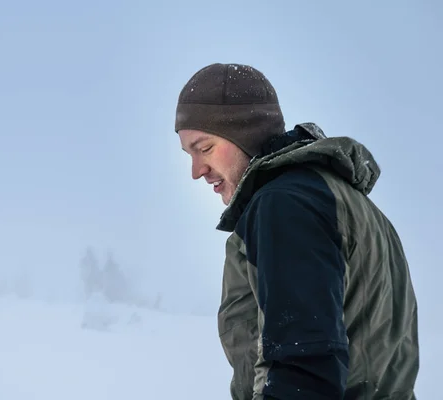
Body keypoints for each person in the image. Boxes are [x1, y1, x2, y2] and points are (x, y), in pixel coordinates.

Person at [174, 63, 419, 399]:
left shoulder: (287, 205)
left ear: (243, 132)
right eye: (189, 154)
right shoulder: (338, 199)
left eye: (205, 149)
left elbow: (304, 368)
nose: (196, 170)